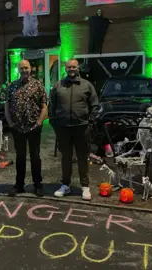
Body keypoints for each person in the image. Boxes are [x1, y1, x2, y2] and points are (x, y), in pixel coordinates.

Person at [49, 59, 100, 201]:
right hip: (63, 128)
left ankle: (85, 186)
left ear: (78, 68)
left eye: (74, 67)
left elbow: (95, 105)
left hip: (81, 127)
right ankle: (65, 184)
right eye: (68, 67)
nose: (71, 69)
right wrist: (55, 124)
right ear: (65, 68)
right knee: (66, 157)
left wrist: (90, 122)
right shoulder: (59, 85)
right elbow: (51, 105)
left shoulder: (86, 85)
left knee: (82, 157)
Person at [5, 59, 47, 197]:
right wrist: (10, 123)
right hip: (18, 128)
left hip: (34, 127)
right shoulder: (12, 86)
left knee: (35, 157)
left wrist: (40, 122)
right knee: (20, 157)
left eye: (26, 68)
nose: (24, 70)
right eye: (21, 68)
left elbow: (44, 105)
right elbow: (7, 105)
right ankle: (19, 185)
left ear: (30, 69)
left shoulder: (38, 85)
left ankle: (37, 185)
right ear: (18, 69)